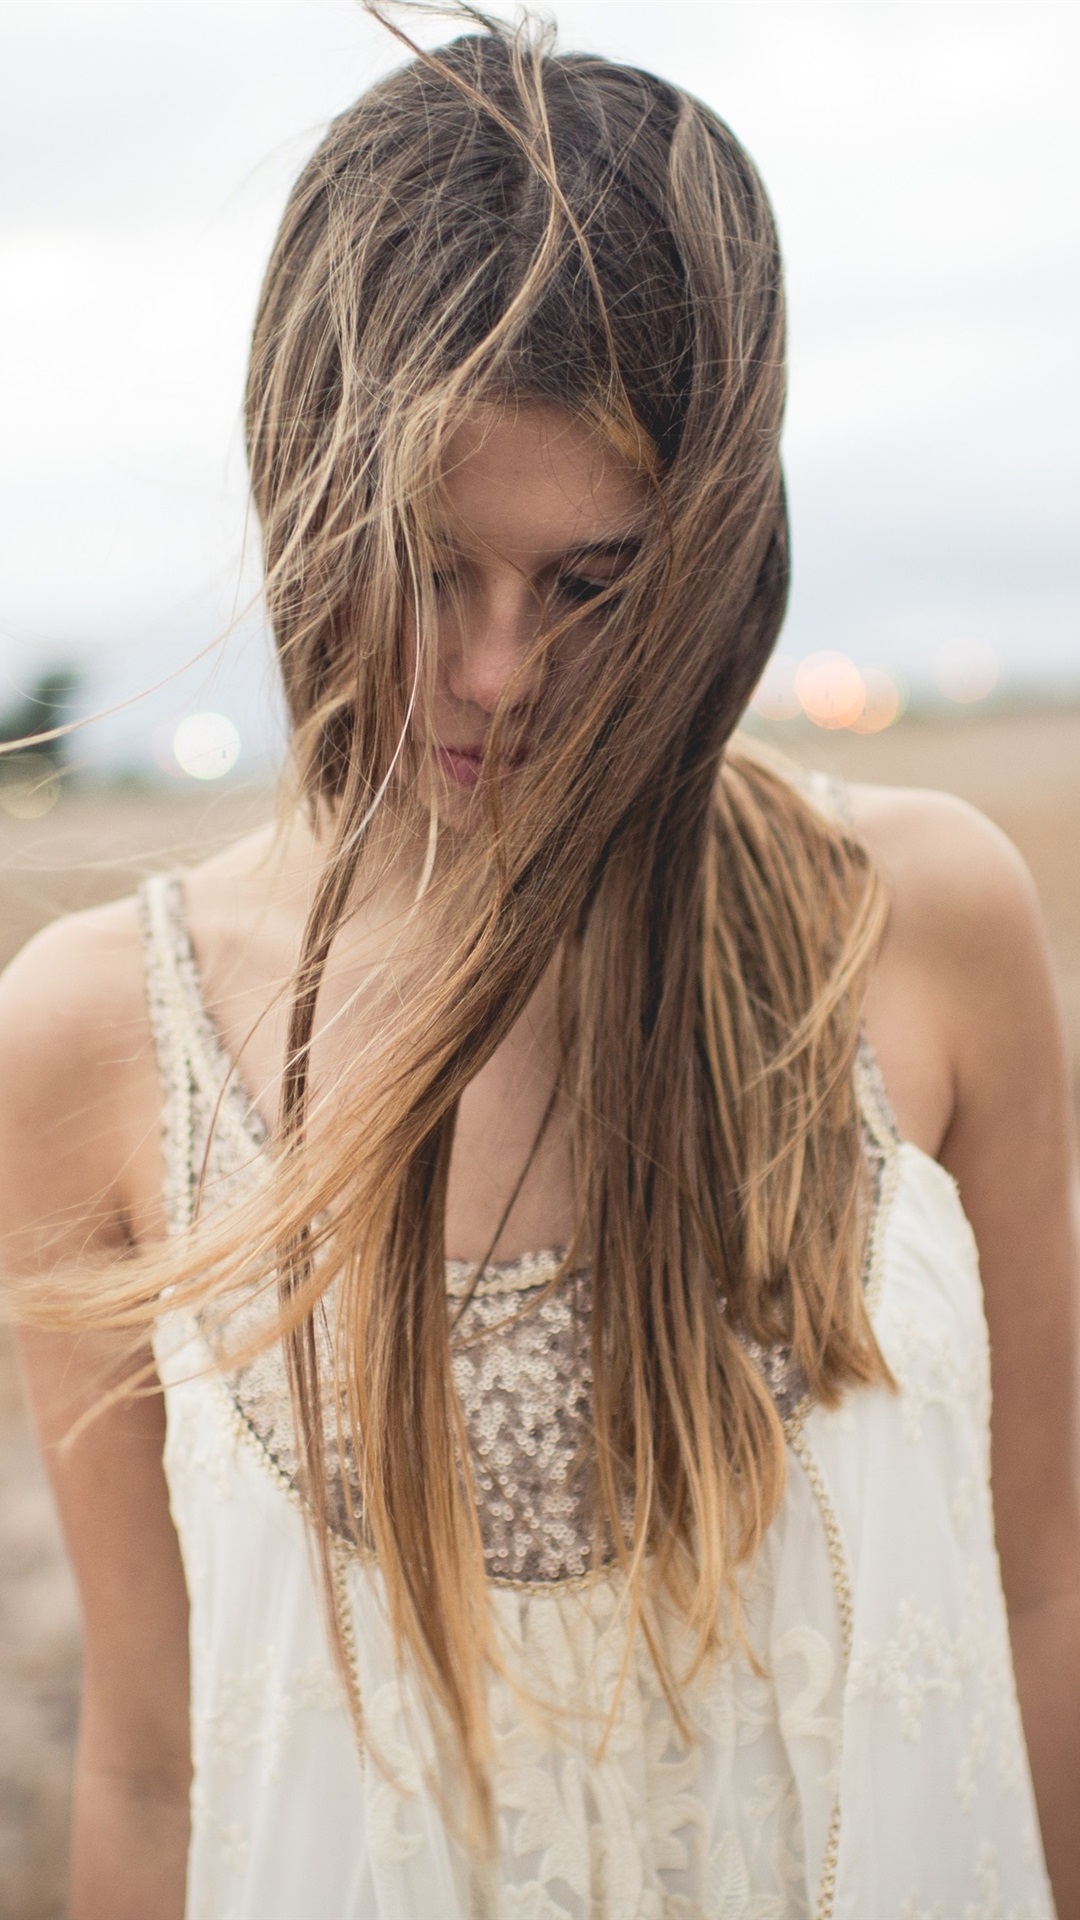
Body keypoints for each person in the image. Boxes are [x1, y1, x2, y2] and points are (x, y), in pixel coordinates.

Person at [2, 13, 1078, 1918]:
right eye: (425, 562)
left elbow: (1042, 1591)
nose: (498, 674)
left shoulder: (917, 930)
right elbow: (157, 1772)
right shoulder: (95, 1039)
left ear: (720, 548)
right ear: (297, 498)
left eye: (595, 583)